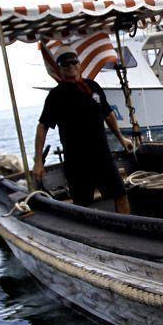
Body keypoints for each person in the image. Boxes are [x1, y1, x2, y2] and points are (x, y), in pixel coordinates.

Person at [32, 48, 134, 213]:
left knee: (120, 195)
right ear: (60, 68)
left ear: (80, 64)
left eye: (74, 62)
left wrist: (122, 139)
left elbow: (108, 115)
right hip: (77, 161)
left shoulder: (93, 86)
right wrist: (38, 162)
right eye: (65, 64)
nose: (71, 66)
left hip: (102, 156)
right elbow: (42, 127)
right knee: (82, 205)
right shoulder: (56, 96)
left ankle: (128, 233)